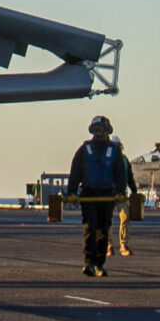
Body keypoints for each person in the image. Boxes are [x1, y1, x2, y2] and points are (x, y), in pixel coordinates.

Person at [66, 116, 135, 278]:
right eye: (96, 128)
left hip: (107, 195)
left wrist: (121, 191)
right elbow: (75, 171)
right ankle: (89, 262)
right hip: (89, 193)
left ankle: (99, 263)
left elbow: (120, 173)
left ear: (107, 131)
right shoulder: (84, 149)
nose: (98, 131)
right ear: (92, 130)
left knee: (104, 230)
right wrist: (71, 192)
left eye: (101, 128)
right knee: (90, 228)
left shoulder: (115, 151)